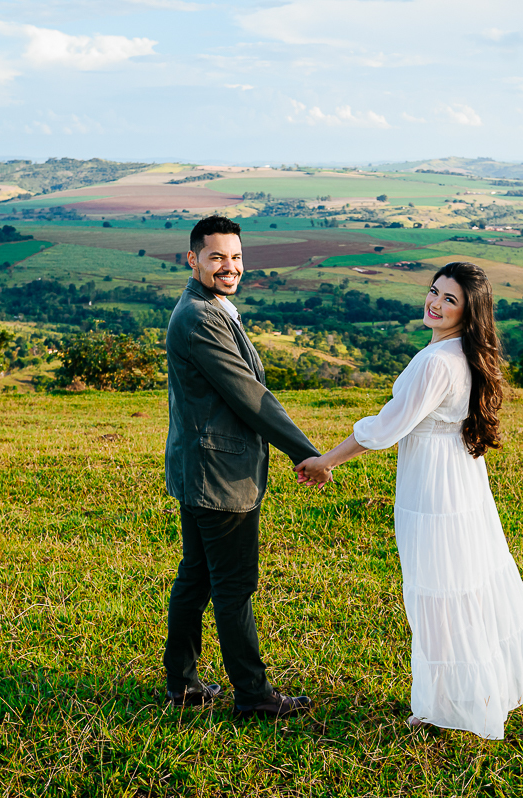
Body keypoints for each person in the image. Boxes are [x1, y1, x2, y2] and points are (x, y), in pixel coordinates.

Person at [295, 261, 523, 739]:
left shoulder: (436, 361)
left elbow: (386, 427)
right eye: (434, 291)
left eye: (449, 299)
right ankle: (465, 692)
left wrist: (326, 460)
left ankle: (446, 703)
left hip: (434, 488)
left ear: (469, 312)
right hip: (458, 477)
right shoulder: (462, 353)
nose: (434, 303)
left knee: (436, 593)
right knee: (459, 585)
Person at [163, 215, 327, 719]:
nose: (229, 266)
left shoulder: (211, 306)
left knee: (197, 578)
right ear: (192, 259)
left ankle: (183, 686)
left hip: (203, 469)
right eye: (216, 257)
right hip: (220, 477)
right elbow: (250, 396)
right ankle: (253, 696)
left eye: (234, 257)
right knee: (233, 586)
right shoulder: (200, 317)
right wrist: (305, 451)